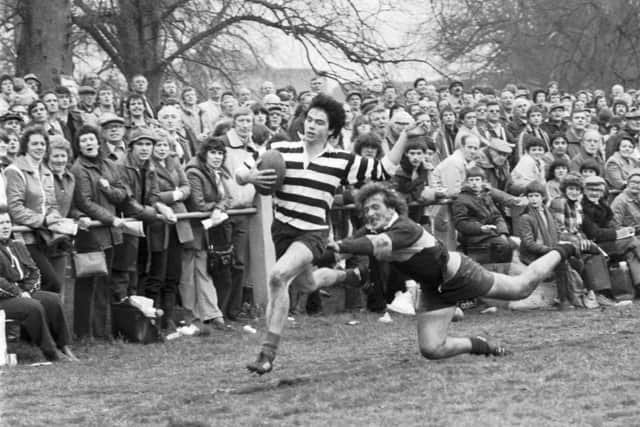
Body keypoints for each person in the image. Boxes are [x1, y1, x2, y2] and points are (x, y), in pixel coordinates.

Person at [237, 94, 409, 374]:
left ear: (331, 130)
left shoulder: (341, 160)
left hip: (313, 233)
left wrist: (406, 136)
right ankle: (350, 276)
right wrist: (250, 178)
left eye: (319, 122)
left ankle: (266, 354)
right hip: (282, 230)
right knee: (305, 284)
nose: (311, 126)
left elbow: (384, 169)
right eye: (309, 120)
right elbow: (239, 172)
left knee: (278, 276)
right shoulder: (278, 148)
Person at [329, 182, 575, 360]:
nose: (370, 214)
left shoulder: (405, 227)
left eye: (375, 207)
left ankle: (565, 248)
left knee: (521, 288)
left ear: (391, 208)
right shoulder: (372, 231)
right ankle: (479, 346)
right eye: (366, 210)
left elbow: (370, 245)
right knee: (432, 349)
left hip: (458, 274)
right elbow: (349, 246)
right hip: (433, 288)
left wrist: (340, 245)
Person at [71, 125, 128, 339]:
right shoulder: (79, 168)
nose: (88, 143)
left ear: (98, 141)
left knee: (105, 283)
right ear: (79, 145)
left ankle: (101, 332)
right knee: (88, 283)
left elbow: (122, 192)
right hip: (92, 233)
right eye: (83, 140)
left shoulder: (109, 164)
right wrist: (110, 219)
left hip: (110, 234)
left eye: (91, 139)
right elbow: (84, 202)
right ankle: (83, 333)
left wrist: (107, 189)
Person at [0, 209, 78, 362]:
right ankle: (51, 352)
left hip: (23, 292)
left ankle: (63, 346)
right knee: (33, 307)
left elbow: (34, 271)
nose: (5, 226)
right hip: (4, 298)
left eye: (8, 222)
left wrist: (27, 290)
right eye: (1, 223)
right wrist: (18, 293)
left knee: (53, 300)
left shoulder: (17, 245)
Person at [5, 126, 71, 294]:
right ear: (25, 145)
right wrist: (43, 220)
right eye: (35, 143)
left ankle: (42, 317)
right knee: (51, 283)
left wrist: (54, 216)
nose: (40, 147)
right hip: (25, 239)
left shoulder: (46, 172)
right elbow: (15, 208)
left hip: (46, 238)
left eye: (42, 143)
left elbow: (51, 204)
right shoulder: (14, 171)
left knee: (52, 289)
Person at [143, 130, 192, 332]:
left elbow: (187, 185)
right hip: (159, 223)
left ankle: (169, 318)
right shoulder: (149, 166)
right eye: (159, 145)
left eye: (165, 145)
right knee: (157, 272)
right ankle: (153, 318)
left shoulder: (174, 162)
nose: (162, 149)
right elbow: (150, 196)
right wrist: (175, 194)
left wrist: (179, 193)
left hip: (177, 223)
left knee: (174, 272)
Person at [182, 137, 228, 332]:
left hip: (206, 230)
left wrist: (219, 206)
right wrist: (217, 206)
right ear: (204, 153)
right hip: (191, 230)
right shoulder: (194, 172)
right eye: (213, 152)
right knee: (188, 274)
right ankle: (190, 316)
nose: (217, 157)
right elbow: (197, 204)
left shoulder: (216, 172)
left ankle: (212, 314)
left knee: (203, 271)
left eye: (220, 153)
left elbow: (227, 198)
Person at [514, 181, 585, 309]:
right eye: (530, 196)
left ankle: (577, 295)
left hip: (548, 250)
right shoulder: (525, 218)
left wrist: (571, 242)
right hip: (533, 256)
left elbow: (558, 233)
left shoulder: (548, 213)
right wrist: (552, 251)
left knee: (577, 258)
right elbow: (529, 244)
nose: (533, 199)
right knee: (561, 262)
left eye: (536, 196)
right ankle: (563, 299)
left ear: (543, 197)